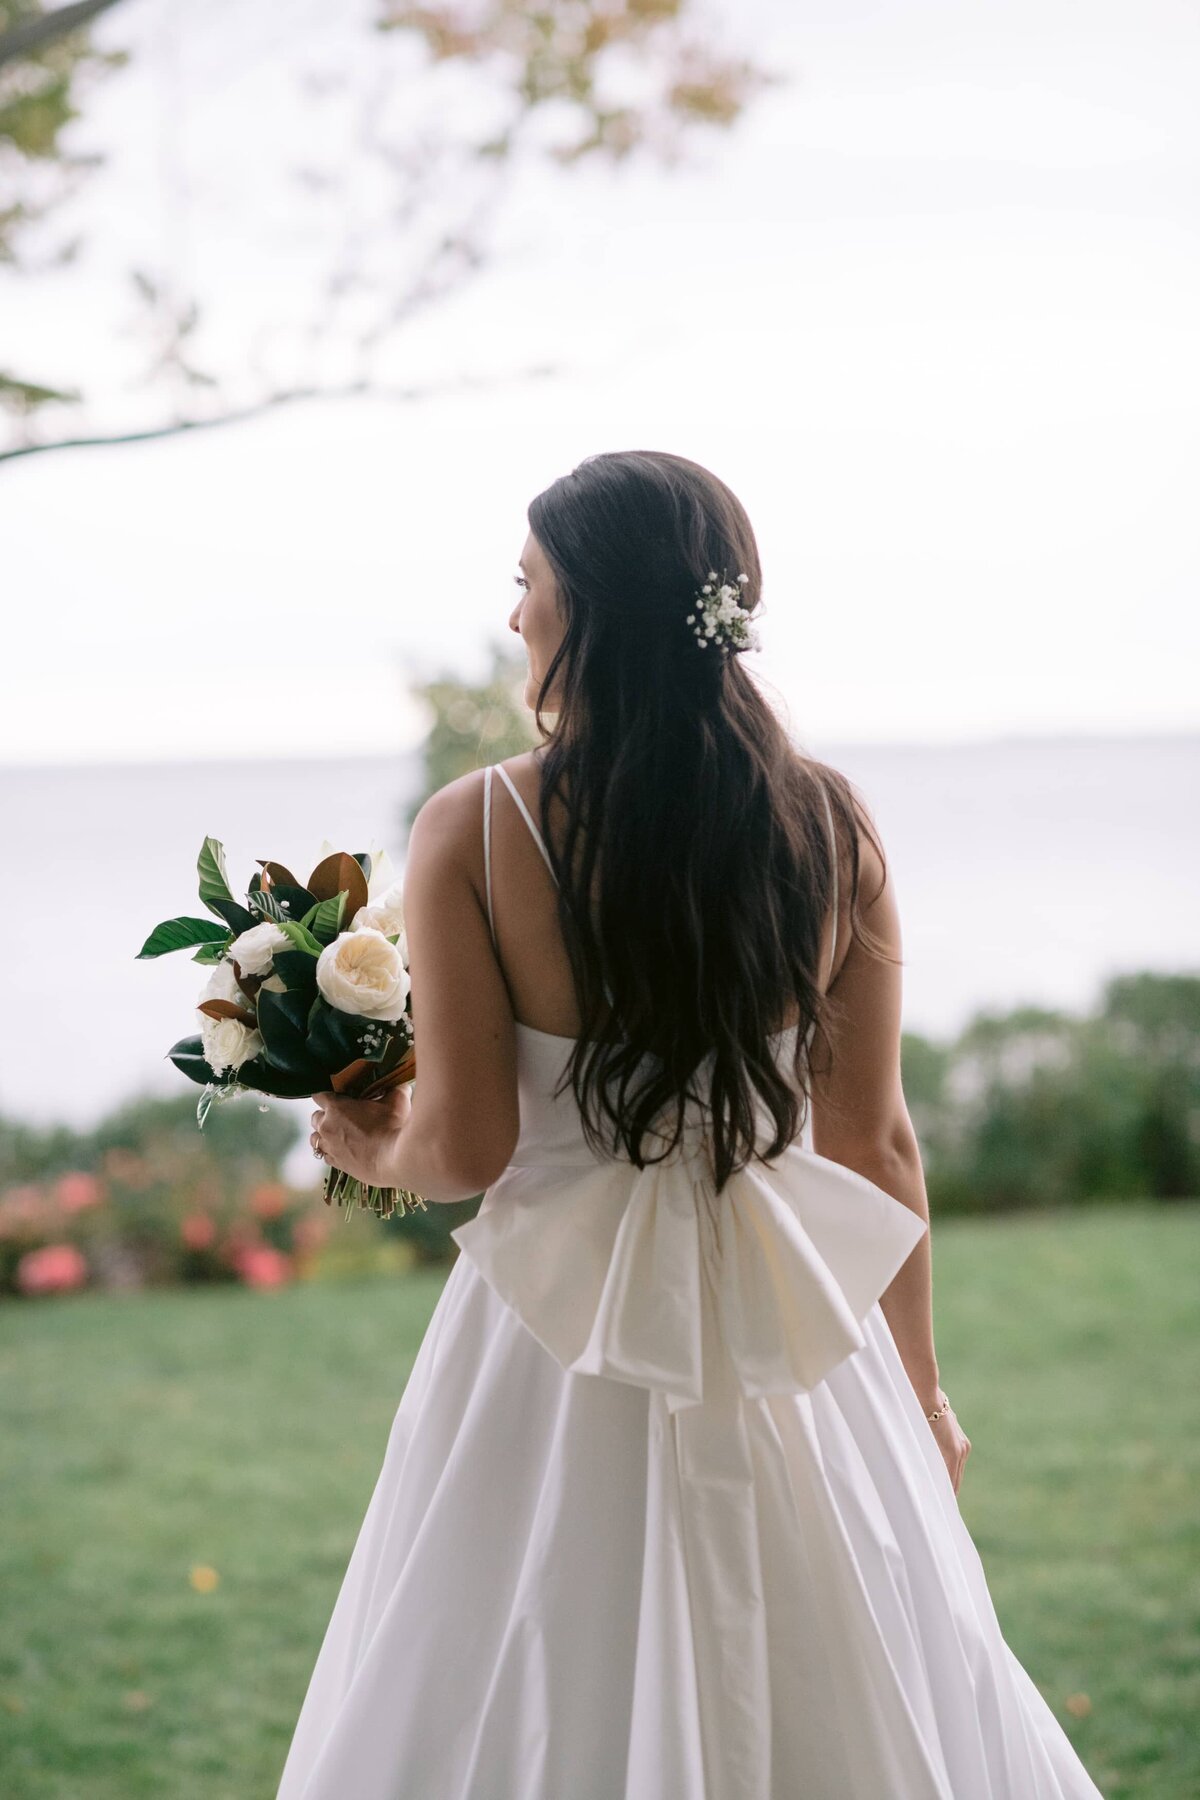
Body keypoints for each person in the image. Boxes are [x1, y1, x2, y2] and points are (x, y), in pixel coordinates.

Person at [276, 450, 1105, 1798]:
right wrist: (924, 1390)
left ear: (591, 607)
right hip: (794, 1334)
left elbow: (471, 1150)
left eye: (527, 583)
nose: (514, 616)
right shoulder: (831, 824)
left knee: (522, 1666)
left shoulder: (480, 825)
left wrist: (363, 1141)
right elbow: (876, 1143)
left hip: (553, 1346)